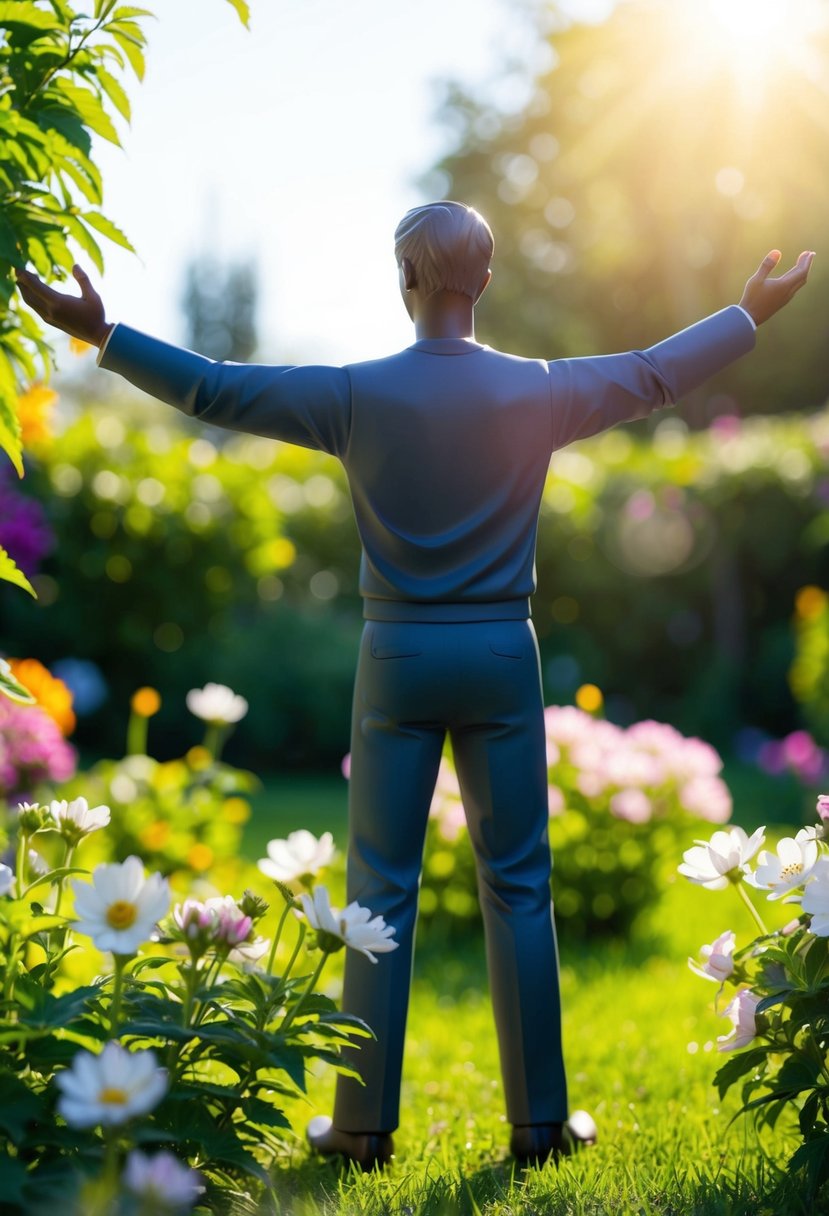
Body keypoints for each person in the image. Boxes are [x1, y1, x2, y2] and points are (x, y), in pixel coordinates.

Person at [16, 204, 814, 1170]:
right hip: (500, 654)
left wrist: (102, 333)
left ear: (404, 278)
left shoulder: (357, 393)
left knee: (379, 891)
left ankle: (359, 1129)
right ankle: (540, 1127)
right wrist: (746, 316)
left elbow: (218, 392)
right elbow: (649, 374)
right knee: (518, 884)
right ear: (483, 283)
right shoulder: (539, 390)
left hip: (394, 655)